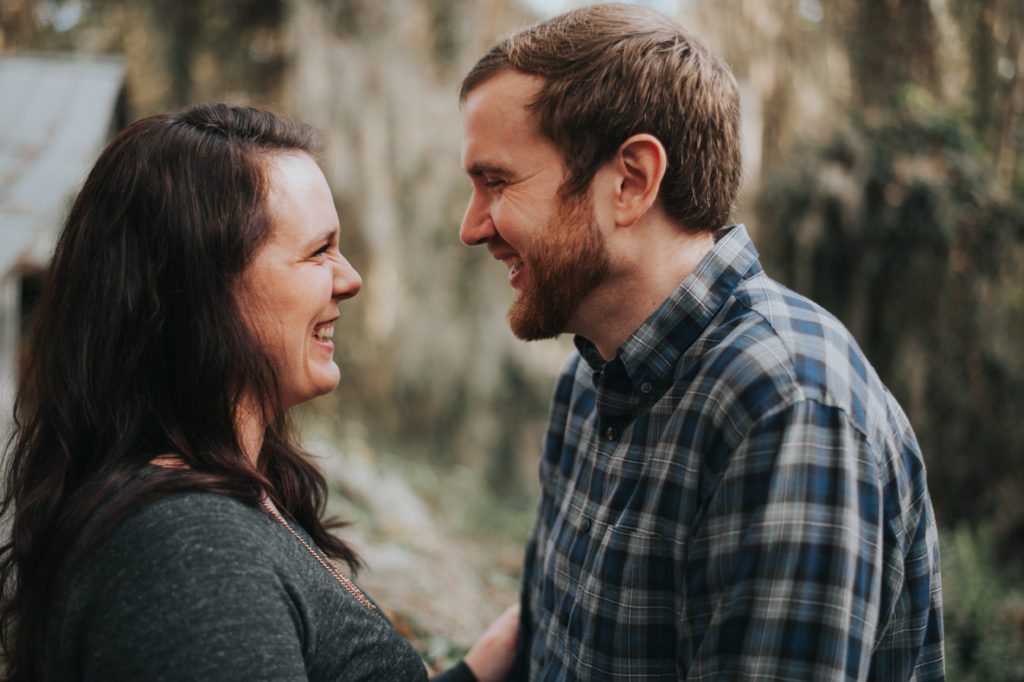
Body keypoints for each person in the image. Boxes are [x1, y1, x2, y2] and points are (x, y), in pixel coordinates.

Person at [457, 4, 944, 680]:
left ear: (630, 180)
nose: (473, 226)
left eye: (497, 182)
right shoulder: (589, 380)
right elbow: (550, 641)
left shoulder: (790, 411)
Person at [0, 103, 518, 681]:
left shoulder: (220, 499)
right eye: (319, 251)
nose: (350, 279)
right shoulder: (191, 558)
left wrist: (477, 670)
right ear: (204, 292)